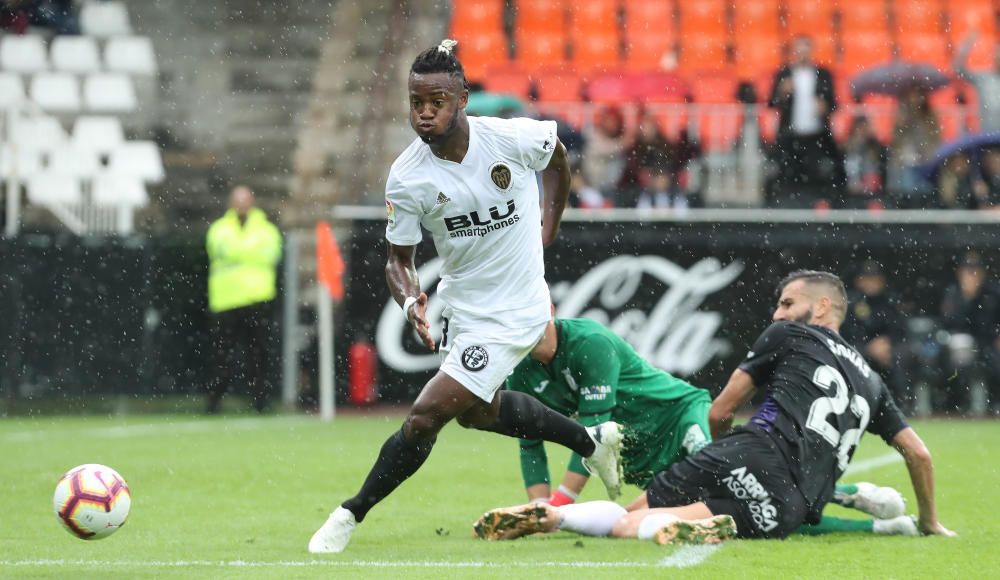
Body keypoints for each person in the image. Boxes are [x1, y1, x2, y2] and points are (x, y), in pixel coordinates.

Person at [307, 40, 625, 554]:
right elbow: (398, 260)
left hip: (517, 308)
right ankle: (591, 442)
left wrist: (551, 219)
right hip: (460, 304)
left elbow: (558, 159)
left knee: (425, 416)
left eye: (437, 100)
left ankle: (350, 511)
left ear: (462, 99)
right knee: (479, 412)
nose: (425, 112)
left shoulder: (510, 139)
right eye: (416, 102)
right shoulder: (408, 176)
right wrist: (411, 301)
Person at [476, 271, 955, 544]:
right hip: (793, 502)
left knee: (631, 519)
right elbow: (920, 455)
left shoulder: (787, 335)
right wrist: (930, 521)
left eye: (787, 303)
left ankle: (560, 517)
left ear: (824, 306)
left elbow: (722, 411)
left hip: (737, 447)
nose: (777, 313)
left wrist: (720, 462)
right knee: (677, 519)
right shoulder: (874, 383)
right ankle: (855, 508)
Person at [506, 316, 913, 537]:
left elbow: (594, 436)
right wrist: (534, 505)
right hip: (639, 452)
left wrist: (556, 505)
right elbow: (530, 444)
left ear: (549, 312)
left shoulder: (588, 342)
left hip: (680, 416)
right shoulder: (520, 372)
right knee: (751, 503)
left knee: (757, 490)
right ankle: (862, 509)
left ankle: (852, 502)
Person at [204, 185, 282, 414]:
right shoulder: (219, 229)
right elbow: (220, 249)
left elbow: (270, 253)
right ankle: (214, 402)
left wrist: (238, 251)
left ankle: (261, 402)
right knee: (221, 356)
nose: (241, 204)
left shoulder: (267, 229)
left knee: (259, 355)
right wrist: (249, 251)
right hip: (226, 300)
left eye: (245, 199)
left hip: (258, 299)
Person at [768, 36, 842, 208]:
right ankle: (790, 210)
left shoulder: (823, 74)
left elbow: (833, 103)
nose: (802, 53)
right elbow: (771, 103)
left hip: (816, 135)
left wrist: (825, 106)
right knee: (788, 176)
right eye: (798, 49)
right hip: (790, 135)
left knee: (816, 176)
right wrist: (781, 92)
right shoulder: (784, 74)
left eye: (805, 48)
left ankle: (816, 210)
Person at [841, 261, 911, 412]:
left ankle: (902, 406)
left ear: (882, 280)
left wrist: (886, 344)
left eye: (875, 278)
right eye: (867, 278)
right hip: (860, 349)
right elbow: (847, 334)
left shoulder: (891, 300)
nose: (871, 283)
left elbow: (901, 330)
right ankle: (856, 406)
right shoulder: (851, 303)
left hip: (890, 350)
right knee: (851, 358)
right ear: (859, 281)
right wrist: (869, 348)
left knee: (901, 357)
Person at [939, 251, 1000, 414]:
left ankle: (995, 404)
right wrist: (968, 297)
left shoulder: (993, 292)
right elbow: (951, 323)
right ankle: (958, 405)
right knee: (957, 358)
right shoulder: (952, 293)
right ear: (959, 272)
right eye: (968, 270)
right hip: (961, 345)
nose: (972, 275)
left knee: (994, 360)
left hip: (988, 342)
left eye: (975, 271)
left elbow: (988, 323)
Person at [888, 86, 940, 208]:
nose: (915, 99)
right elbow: (895, 141)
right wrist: (902, 125)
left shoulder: (929, 117)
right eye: (912, 96)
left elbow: (934, 139)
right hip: (907, 162)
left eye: (918, 95)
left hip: (925, 162)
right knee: (909, 196)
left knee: (925, 195)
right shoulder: (901, 116)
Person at [954, 33, 1000, 133]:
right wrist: (965, 48)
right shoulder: (984, 78)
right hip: (988, 135)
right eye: (998, 56)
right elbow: (959, 71)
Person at [842, 116, 888, 209]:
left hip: (871, 187)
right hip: (852, 187)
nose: (862, 131)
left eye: (864, 128)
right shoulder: (848, 145)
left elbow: (879, 164)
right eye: (859, 128)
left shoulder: (874, 145)